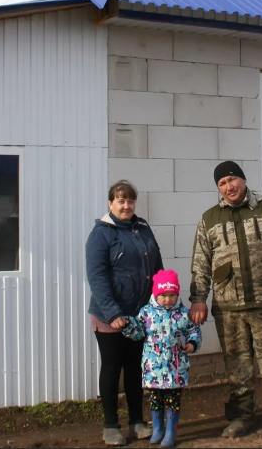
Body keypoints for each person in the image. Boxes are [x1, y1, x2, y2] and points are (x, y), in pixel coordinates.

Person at [188, 161, 262, 439]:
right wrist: (198, 299)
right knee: (237, 370)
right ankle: (242, 416)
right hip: (228, 309)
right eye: (222, 183)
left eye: (232, 180)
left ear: (242, 179)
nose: (229, 187)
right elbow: (200, 263)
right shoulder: (210, 219)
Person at [86, 180, 163, 446]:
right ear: (110, 204)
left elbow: (157, 267)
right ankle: (110, 425)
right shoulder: (101, 234)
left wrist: (159, 303)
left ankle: (136, 421)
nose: (126, 205)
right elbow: (97, 277)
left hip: (140, 315)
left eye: (130, 201)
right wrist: (112, 313)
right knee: (112, 366)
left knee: (134, 368)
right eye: (121, 200)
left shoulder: (142, 229)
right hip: (110, 315)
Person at [122, 269, 202, 448]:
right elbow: (138, 332)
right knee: (155, 399)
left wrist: (192, 344)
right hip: (154, 368)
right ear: (156, 294)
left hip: (175, 369)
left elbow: (194, 331)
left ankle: (171, 431)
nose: (168, 299)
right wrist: (128, 324)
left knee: (173, 400)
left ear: (177, 294)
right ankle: (157, 429)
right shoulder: (146, 313)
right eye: (163, 295)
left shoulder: (183, 314)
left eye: (172, 295)